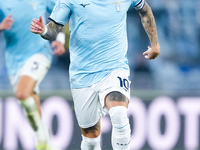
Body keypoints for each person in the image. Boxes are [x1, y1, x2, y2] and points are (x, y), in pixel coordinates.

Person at [30, 0, 160, 149]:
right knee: (91, 138)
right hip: (82, 74)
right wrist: (44, 31)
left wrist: (155, 44)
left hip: (114, 68)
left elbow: (145, 10)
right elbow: (54, 29)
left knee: (119, 113)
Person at [0, 1, 66, 150]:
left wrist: (60, 40)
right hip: (13, 60)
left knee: (22, 93)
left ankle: (41, 137)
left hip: (39, 53)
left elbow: (61, 14)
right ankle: (44, 141)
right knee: (28, 99)